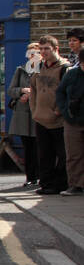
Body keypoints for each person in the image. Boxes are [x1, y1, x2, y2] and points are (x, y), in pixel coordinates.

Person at [29, 35, 69, 195]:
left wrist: (59, 110)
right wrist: (35, 110)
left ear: (56, 49)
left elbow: (67, 92)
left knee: (62, 154)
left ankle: (60, 184)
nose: (43, 52)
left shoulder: (65, 68)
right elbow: (33, 90)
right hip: (41, 119)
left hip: (59, 121)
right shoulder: (38, 68)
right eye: (41, 49)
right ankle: (46, 184)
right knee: (44, 155)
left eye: (47, 49)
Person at [8, 43, 41, 188]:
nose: (32, 55)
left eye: (35, 52)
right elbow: (11, 90)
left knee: (40, 147)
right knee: (28, 148)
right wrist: (22, 90)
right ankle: (30, 177)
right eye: (30, 53)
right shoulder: (21, 70)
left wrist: (31, 93)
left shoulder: (43, 70)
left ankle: (41, 177)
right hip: (23, 115)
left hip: (38, 113)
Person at [56, 50, 84, 194]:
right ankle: (75, 185)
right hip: (72, 120)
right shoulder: (72, 74)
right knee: (74, 155)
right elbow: (60, 92)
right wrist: (64, 110)